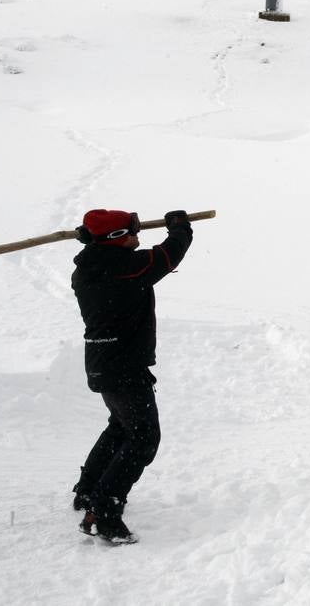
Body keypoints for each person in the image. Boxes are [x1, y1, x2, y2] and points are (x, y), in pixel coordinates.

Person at [70, 208, 193, 544]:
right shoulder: (124, 267)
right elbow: (168, 256)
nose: (138, 235)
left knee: (122, 428)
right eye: (132, 230)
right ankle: (104, 513)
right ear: (114, 239)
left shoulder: (88, 267)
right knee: (143, 438)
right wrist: (180, 227)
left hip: (102, 361)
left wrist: (94, 237)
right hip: (123, 366)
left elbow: (125, 254)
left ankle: (88, 490)